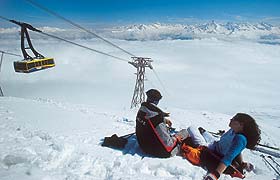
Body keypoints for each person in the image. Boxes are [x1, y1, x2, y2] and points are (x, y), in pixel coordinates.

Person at [184, 113, 261, 180]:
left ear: (241, 125)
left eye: (234, 119)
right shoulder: (234, 130)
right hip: (216, 143)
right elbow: (237, 151)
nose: (231, 119)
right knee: (206, 135)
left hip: (211, 149)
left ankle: (201, 134)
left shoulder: (240, 139)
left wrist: (215, 174)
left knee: (191, 128)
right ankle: (204, 133)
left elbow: (229, 157)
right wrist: (241, 163)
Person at [135, 89, 188, 158]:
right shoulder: (157, 119)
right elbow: (168, 145)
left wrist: (164, 120)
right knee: (185, 132)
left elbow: (149, 119)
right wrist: (176, 138)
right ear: (156, 101)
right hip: (161, 152)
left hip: (143, 146)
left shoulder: (142, 110)